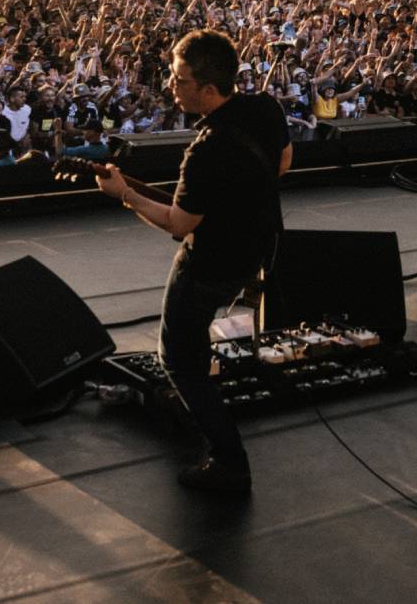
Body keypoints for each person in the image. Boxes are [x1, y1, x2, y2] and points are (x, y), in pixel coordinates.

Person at [89, 29, 290, 495]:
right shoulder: (266, 109)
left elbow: (180, 223)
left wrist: (124, 196)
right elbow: (282, 162)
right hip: (256, 248)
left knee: (177, 359)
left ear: (208, 89)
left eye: (179, 80)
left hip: (208, 266)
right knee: (192, 344)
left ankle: (228, 459)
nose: (170, 87)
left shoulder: (206, 150)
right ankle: (196, 403)